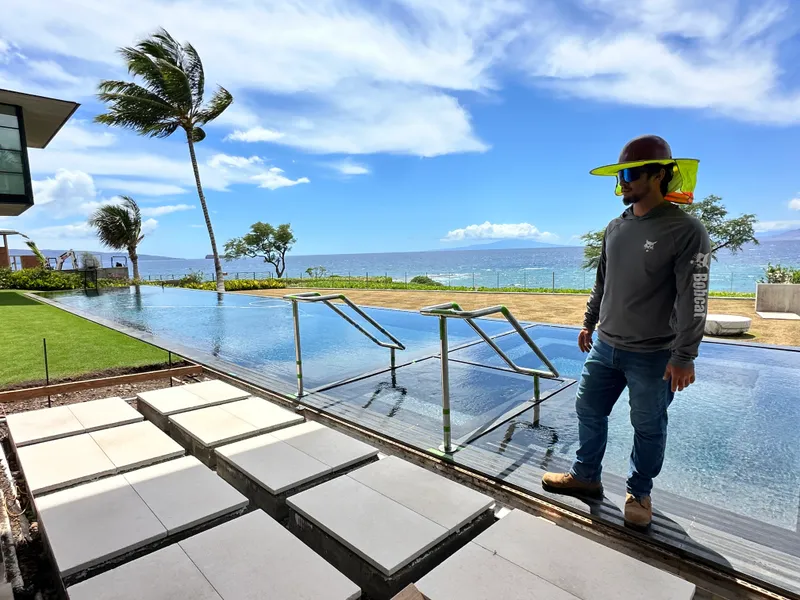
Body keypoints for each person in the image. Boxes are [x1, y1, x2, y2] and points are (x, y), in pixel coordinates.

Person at [542, 135, 710, 528]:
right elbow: (603, 280)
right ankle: (586, 477)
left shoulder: (685, 230)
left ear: (658, 175)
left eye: (631, 174)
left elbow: (694, 298)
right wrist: (589, 321)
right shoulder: (615, 227)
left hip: (654, 353)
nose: (623, 184)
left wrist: (684, 356)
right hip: (606, 345)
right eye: (620, 177)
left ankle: (640, 492)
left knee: (648, 425)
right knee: (588, 409)